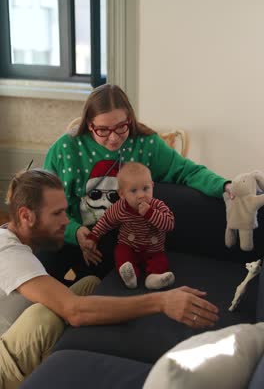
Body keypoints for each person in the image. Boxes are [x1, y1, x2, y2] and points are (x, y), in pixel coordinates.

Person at [0, 168, 219, 389]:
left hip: (13, 332)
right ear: (26, 216)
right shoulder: (9, 254)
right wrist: (161, 302)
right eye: (57, 213)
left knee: (89, 284)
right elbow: (75, 311)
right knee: (43, 318)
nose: (66, 220)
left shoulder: (18, 241)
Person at [39, 83, 232, 284]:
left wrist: (224, 186)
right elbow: (45, 204)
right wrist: (75, 232)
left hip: (115, 236)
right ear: (89, 124)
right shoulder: (64, 148)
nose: (113, 138)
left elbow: (187, 171)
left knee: (91, 280)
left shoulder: (146, 144)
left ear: (129, 119)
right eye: (103, 130)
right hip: (67, 228)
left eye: (121, 127)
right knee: (41, 268)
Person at [86, 162, 175, 290]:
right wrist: (93, 236)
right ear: (122, 194)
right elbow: (105, 221)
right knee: (121, 253)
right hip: (129, 245)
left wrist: (150, 213)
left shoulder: (157, 206)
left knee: (160, 260)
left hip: (153, 249)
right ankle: (130, 276)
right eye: (133, 191)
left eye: (145, 189)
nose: (141, 195)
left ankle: (154, 278)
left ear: (152, 186)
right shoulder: (120, 208)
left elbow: (169, 224)